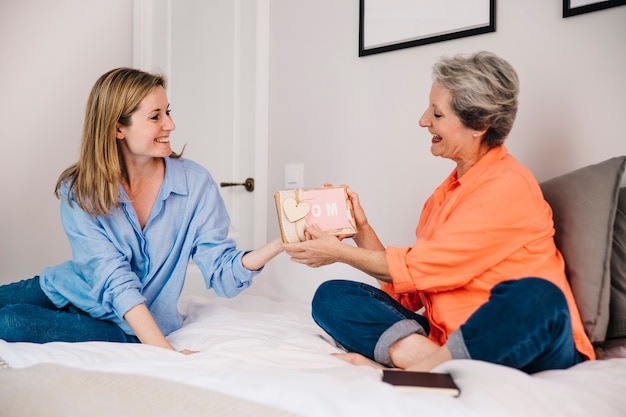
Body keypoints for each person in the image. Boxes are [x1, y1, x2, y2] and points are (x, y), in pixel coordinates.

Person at [283, 51, 595, 373]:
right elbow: (409, 291)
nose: (423, 121)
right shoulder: (445, 195)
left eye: (437, 114)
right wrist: (361, 229)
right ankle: (432, 364)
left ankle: (417, 369)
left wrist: (338, 253)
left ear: (480, 125)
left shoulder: (507, 186)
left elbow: (414, 269)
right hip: (447, 340)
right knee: (334, 296)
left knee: (537, 296)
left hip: (522, 338)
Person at [0, 68, 283, 353]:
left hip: (128, 324)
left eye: (168, 112)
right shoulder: (80, 189)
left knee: (10, 322)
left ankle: (118, 337)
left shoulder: (195, 184)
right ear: (117, 128)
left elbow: (222, 274)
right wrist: (167, 352)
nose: (170, 124)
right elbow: (110, 275)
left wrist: (278, 244)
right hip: (64, 288)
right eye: (155, 116)